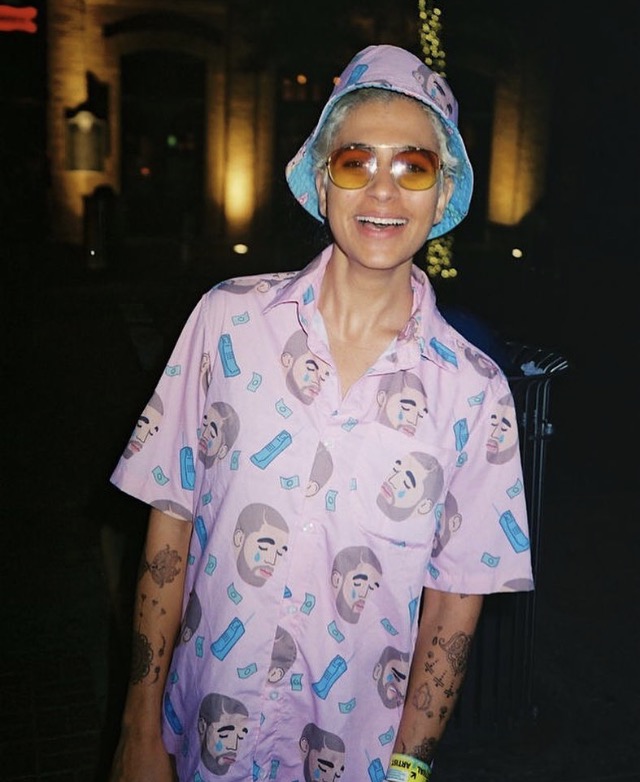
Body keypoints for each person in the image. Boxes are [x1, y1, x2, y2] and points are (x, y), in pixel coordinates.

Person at [107, 44, 533, 782]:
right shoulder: (226, 322)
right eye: (356, 161)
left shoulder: (475, 391)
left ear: (443, 194)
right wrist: (137, 731)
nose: (383, 190)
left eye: (413, 167)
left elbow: (454, 607)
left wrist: (409, 772)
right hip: (199, 743)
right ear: (321, 179)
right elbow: (169, 522)